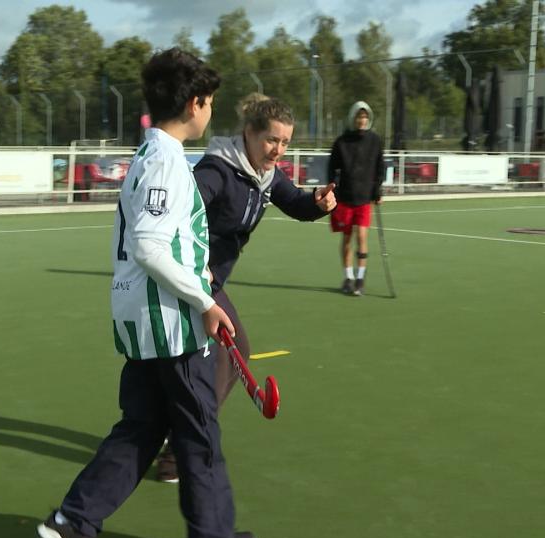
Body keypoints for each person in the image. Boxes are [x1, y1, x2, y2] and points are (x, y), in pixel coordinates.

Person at [36, 47, 256, 538]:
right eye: (211, 103)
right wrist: (205, 300)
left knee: (143, 426)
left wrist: (198, 271)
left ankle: (74, 521)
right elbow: (151, 246)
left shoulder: (152, 155)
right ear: (196, 102)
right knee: (198, 430)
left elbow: (160, 240)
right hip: (171, 324)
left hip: (148, 317)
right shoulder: (164, 161)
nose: (211, 113)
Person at [153, 94, 337, 483]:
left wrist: (318, 204)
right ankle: (182, 448)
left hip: (210, 281)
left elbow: (295, 203)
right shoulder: (218, 171)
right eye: (272, 139)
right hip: (193, 278)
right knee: (225, 358)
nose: (278, 149)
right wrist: (195, 275)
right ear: (249, 133)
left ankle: (176, 442)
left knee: (200, 367)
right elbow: (181, 214)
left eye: (285, 142)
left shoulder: (266, 176)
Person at [327, 101, 385, 296]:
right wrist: (331, 190)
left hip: (364, 198)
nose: (362, 120)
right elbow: (331, 169)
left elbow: (379, 168)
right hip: (344, 198)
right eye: (359, 117)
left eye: (365, 117)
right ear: (353, 118)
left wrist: (377, 191)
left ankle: (360, 278)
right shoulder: (341, 142)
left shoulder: (375, 141)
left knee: (362, 237)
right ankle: (348, 277)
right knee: (346, 238)